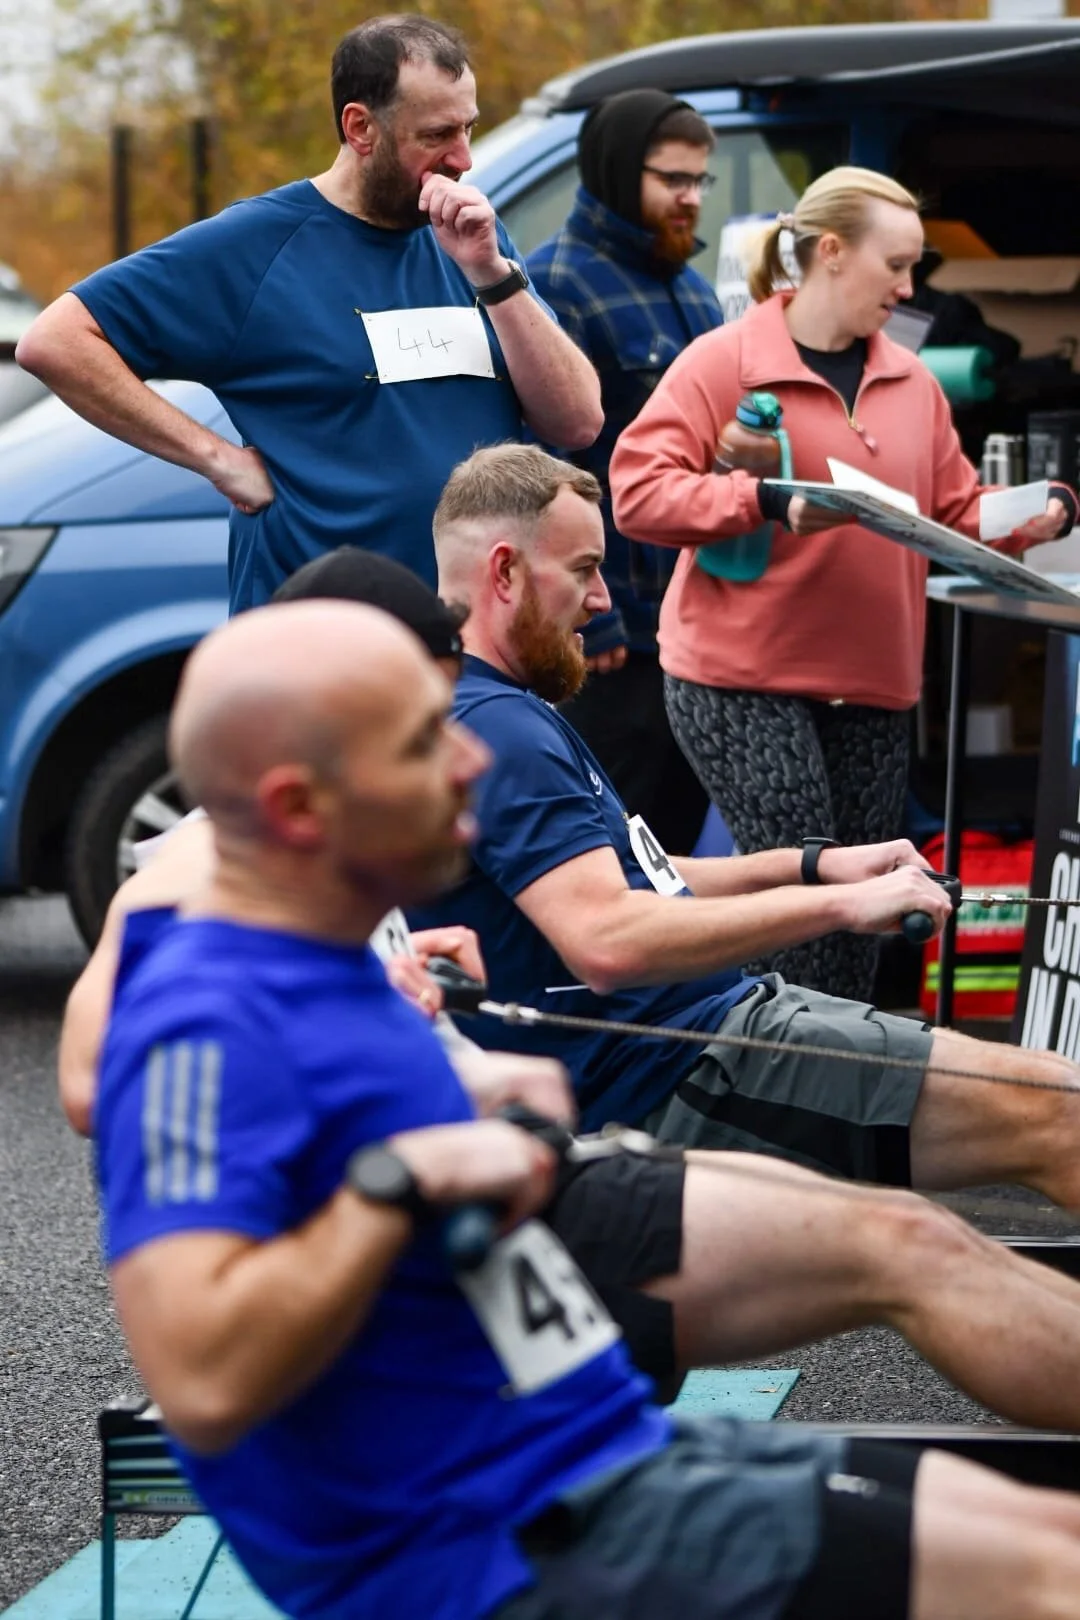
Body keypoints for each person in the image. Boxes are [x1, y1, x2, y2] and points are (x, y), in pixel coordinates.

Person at [94, 597, 1080, 1620]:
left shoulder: (331, 947)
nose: (471, 759)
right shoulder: (200, 1018)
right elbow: (202, 1378)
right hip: (501, 1542)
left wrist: (462, 1087)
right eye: (422, 743)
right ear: (301, 809)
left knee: (1052, 1532)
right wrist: (409, 1178)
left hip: (588, 1440)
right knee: (1045, 1585)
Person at [416, 441, 1080, 1214]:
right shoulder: (501, 729)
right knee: (1060, 1112)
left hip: (706, 1029)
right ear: (504, 572)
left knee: (1056, 1094)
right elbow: (607, 940)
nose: (601, 600)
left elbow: (640, 874)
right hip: (676, 1070)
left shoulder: (492, 708)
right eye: (584, 569)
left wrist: (815, 867)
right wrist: (838, 909)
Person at [608, 165, 1079, 1002]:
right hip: (742, 680)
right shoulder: (727, 362)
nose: (908, 287)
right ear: (830, 253)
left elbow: (952, 510)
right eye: (894, 266)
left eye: (912, 267)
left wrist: (1038, 510)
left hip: (873, 686)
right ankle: (784, 1108)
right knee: (805, 916)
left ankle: (842, 1113)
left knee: (871, 914)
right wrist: (764, 499)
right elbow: (639, 494)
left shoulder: (914, 381)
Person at [14, 14, 601, 613]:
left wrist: (494, 276)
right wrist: (216, 459)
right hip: (325, 640)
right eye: (437, 135)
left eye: (469, 128)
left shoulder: (472, 237)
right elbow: (57, 341)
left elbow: (577, 421)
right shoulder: (257, 244)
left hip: (476, 633)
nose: (463, 158)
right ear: (360, 127)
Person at [526, 90, 720, 853]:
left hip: (694, 628)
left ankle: (669, 978)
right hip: (615, 638)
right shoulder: (555, 286)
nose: (690, 198)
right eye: (672, 179)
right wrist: (588, 613)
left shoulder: (694, 291)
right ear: (615, 171)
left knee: (670, 849)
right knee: (604, 844)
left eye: (700, 181)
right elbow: (544, 463)